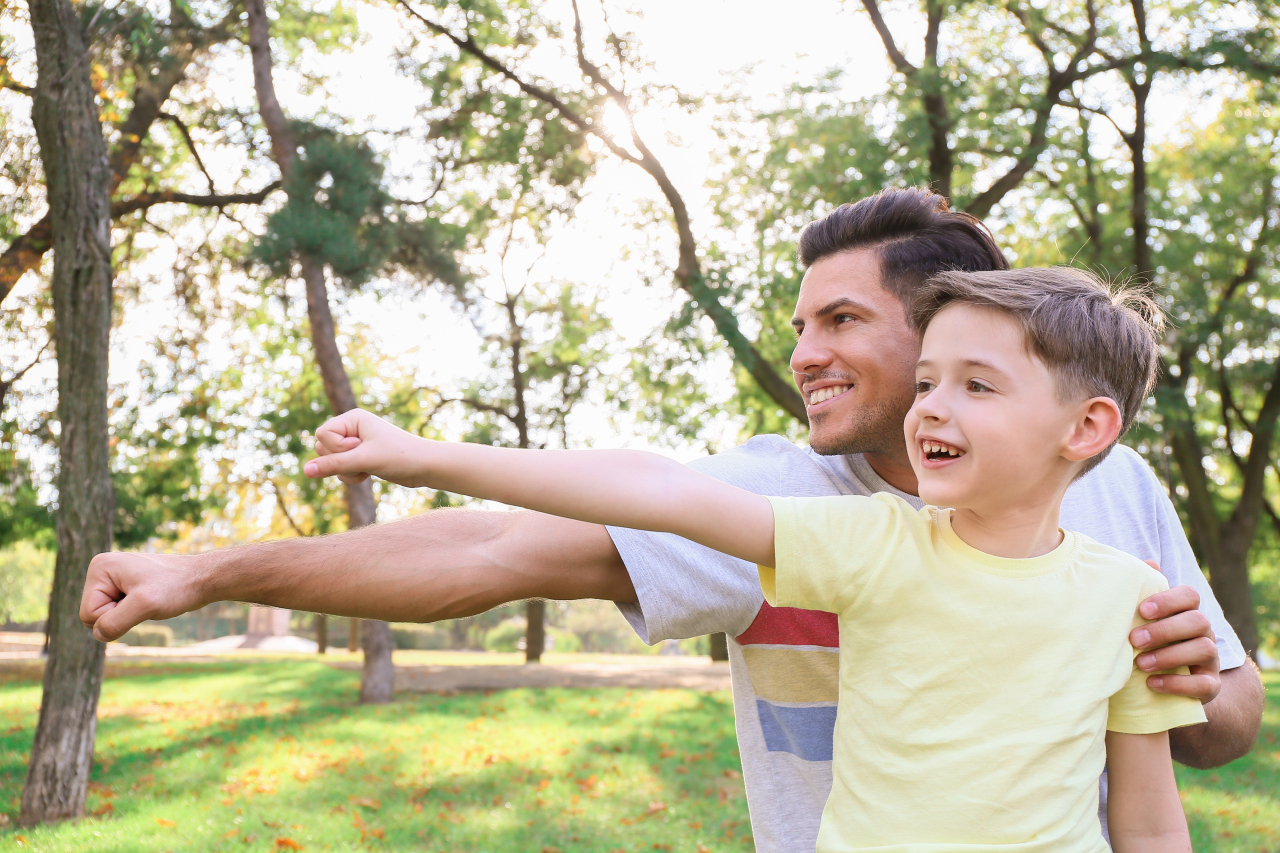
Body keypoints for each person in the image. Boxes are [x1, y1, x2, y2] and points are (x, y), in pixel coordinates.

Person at [80, 189, 1263, 853]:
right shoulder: (803, 510)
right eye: (798, 327)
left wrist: (1194, 680)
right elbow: (493, 545)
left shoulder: (1114, 501)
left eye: (841, 321)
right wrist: (210, 569)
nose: (805, 355)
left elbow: (1212, 734)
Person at [293, 265, 1208, 851]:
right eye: (928, 379)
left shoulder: (1130, 597)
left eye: (977, 385)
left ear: (1087, 427)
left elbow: (1148, 817)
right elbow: (661, 490)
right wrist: (423, 455)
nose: (931, 405)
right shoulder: (871, 545)